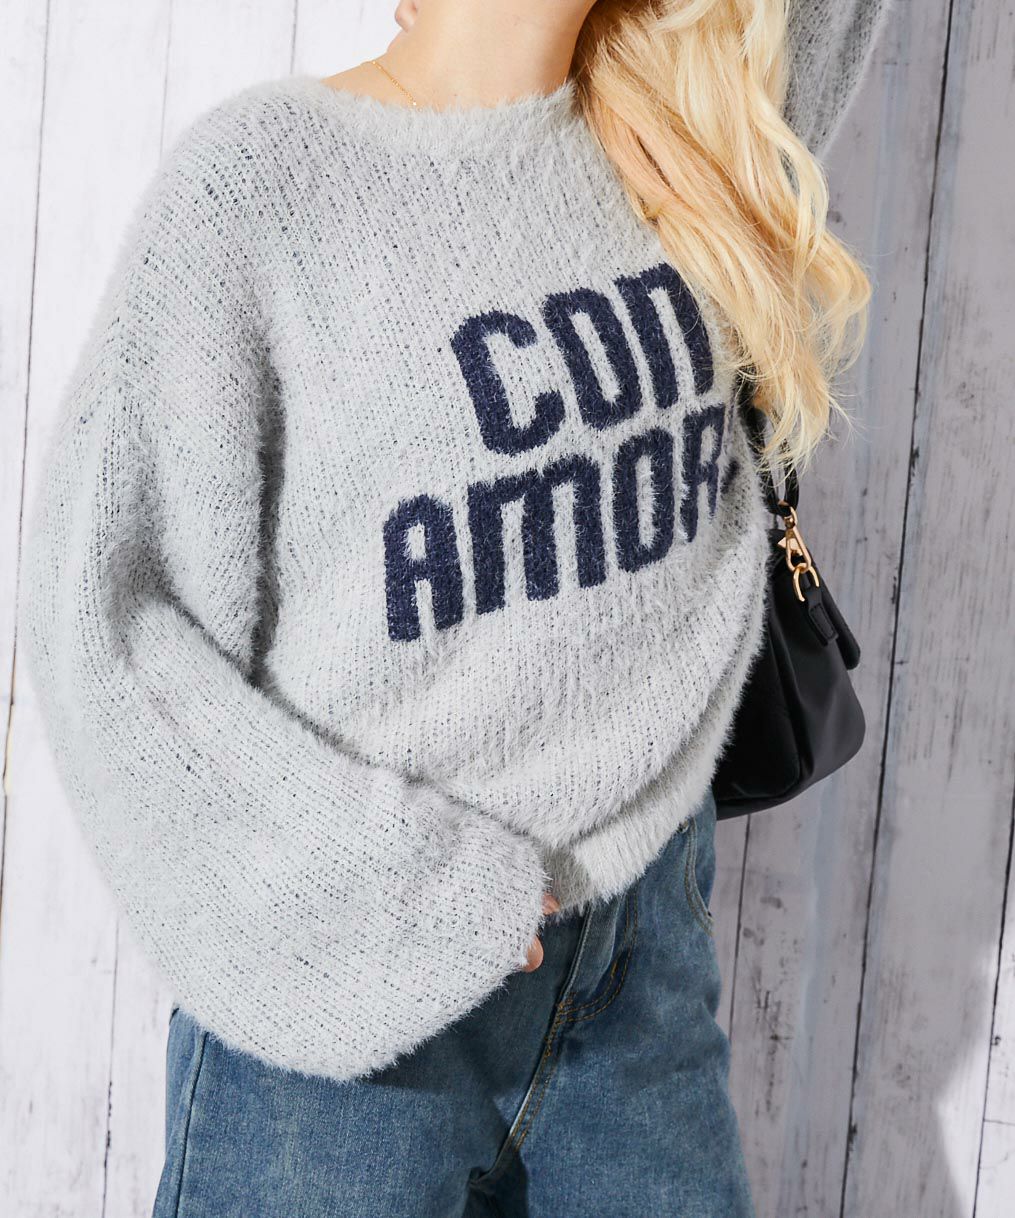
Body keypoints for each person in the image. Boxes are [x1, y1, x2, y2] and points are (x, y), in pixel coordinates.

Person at [21, 0, 888, 1214]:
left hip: (641, 973)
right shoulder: (261, 188)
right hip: (349, 1025)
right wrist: (405, 893)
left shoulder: (684, 139)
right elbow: (109, 624)